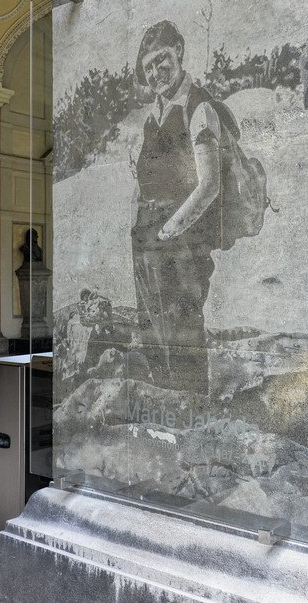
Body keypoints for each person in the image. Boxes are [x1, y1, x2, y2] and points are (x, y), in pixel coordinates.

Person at [131, 20, 233, 394]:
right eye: (148, 67)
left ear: (179, 50)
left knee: (182, 326)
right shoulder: (153, 115)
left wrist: (167, 233)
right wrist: (139, 230)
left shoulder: (199, 107)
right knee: (152, 326)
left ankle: (191, 405)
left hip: (182, 242)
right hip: (148, 241)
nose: (156, 72)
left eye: (161, 59)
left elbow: (209, 186)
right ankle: (164, 404)